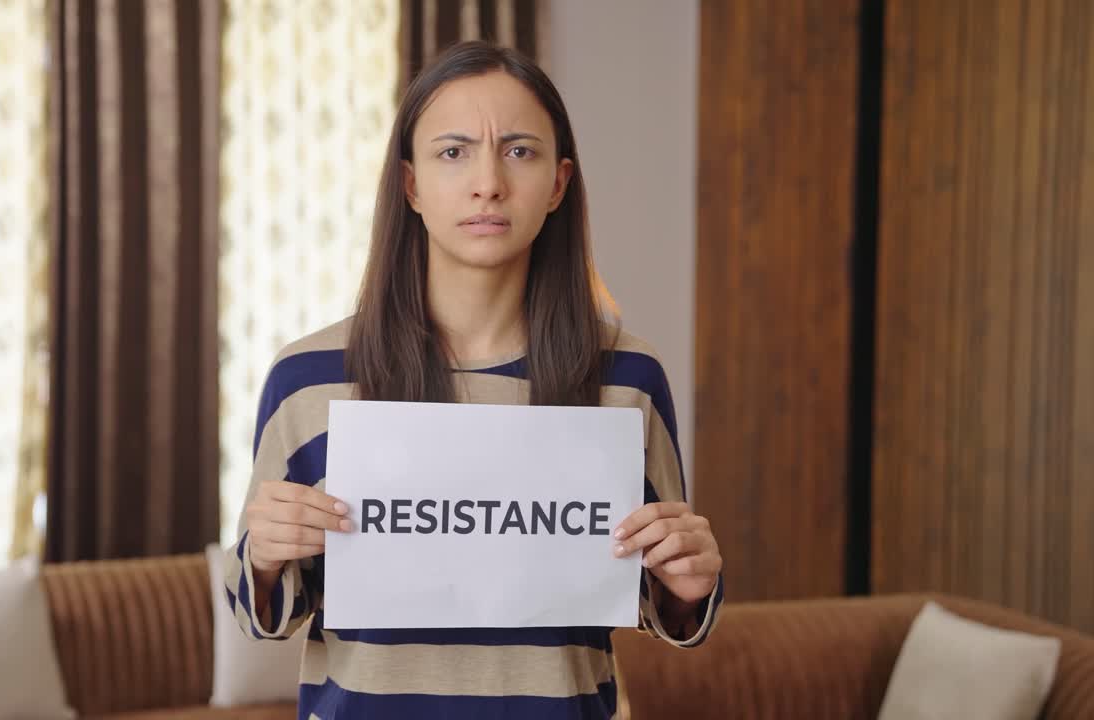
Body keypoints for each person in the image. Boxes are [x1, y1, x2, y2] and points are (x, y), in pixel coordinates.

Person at [223, 40, 724, 719]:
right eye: (453, 152)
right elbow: (261, 614)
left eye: (519, 151)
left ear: (558, 184)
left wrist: (687, 584)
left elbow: (655, 600)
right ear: (411, 186)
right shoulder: (308, 378)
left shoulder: (627, 379)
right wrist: (262, 560)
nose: (488, 182)